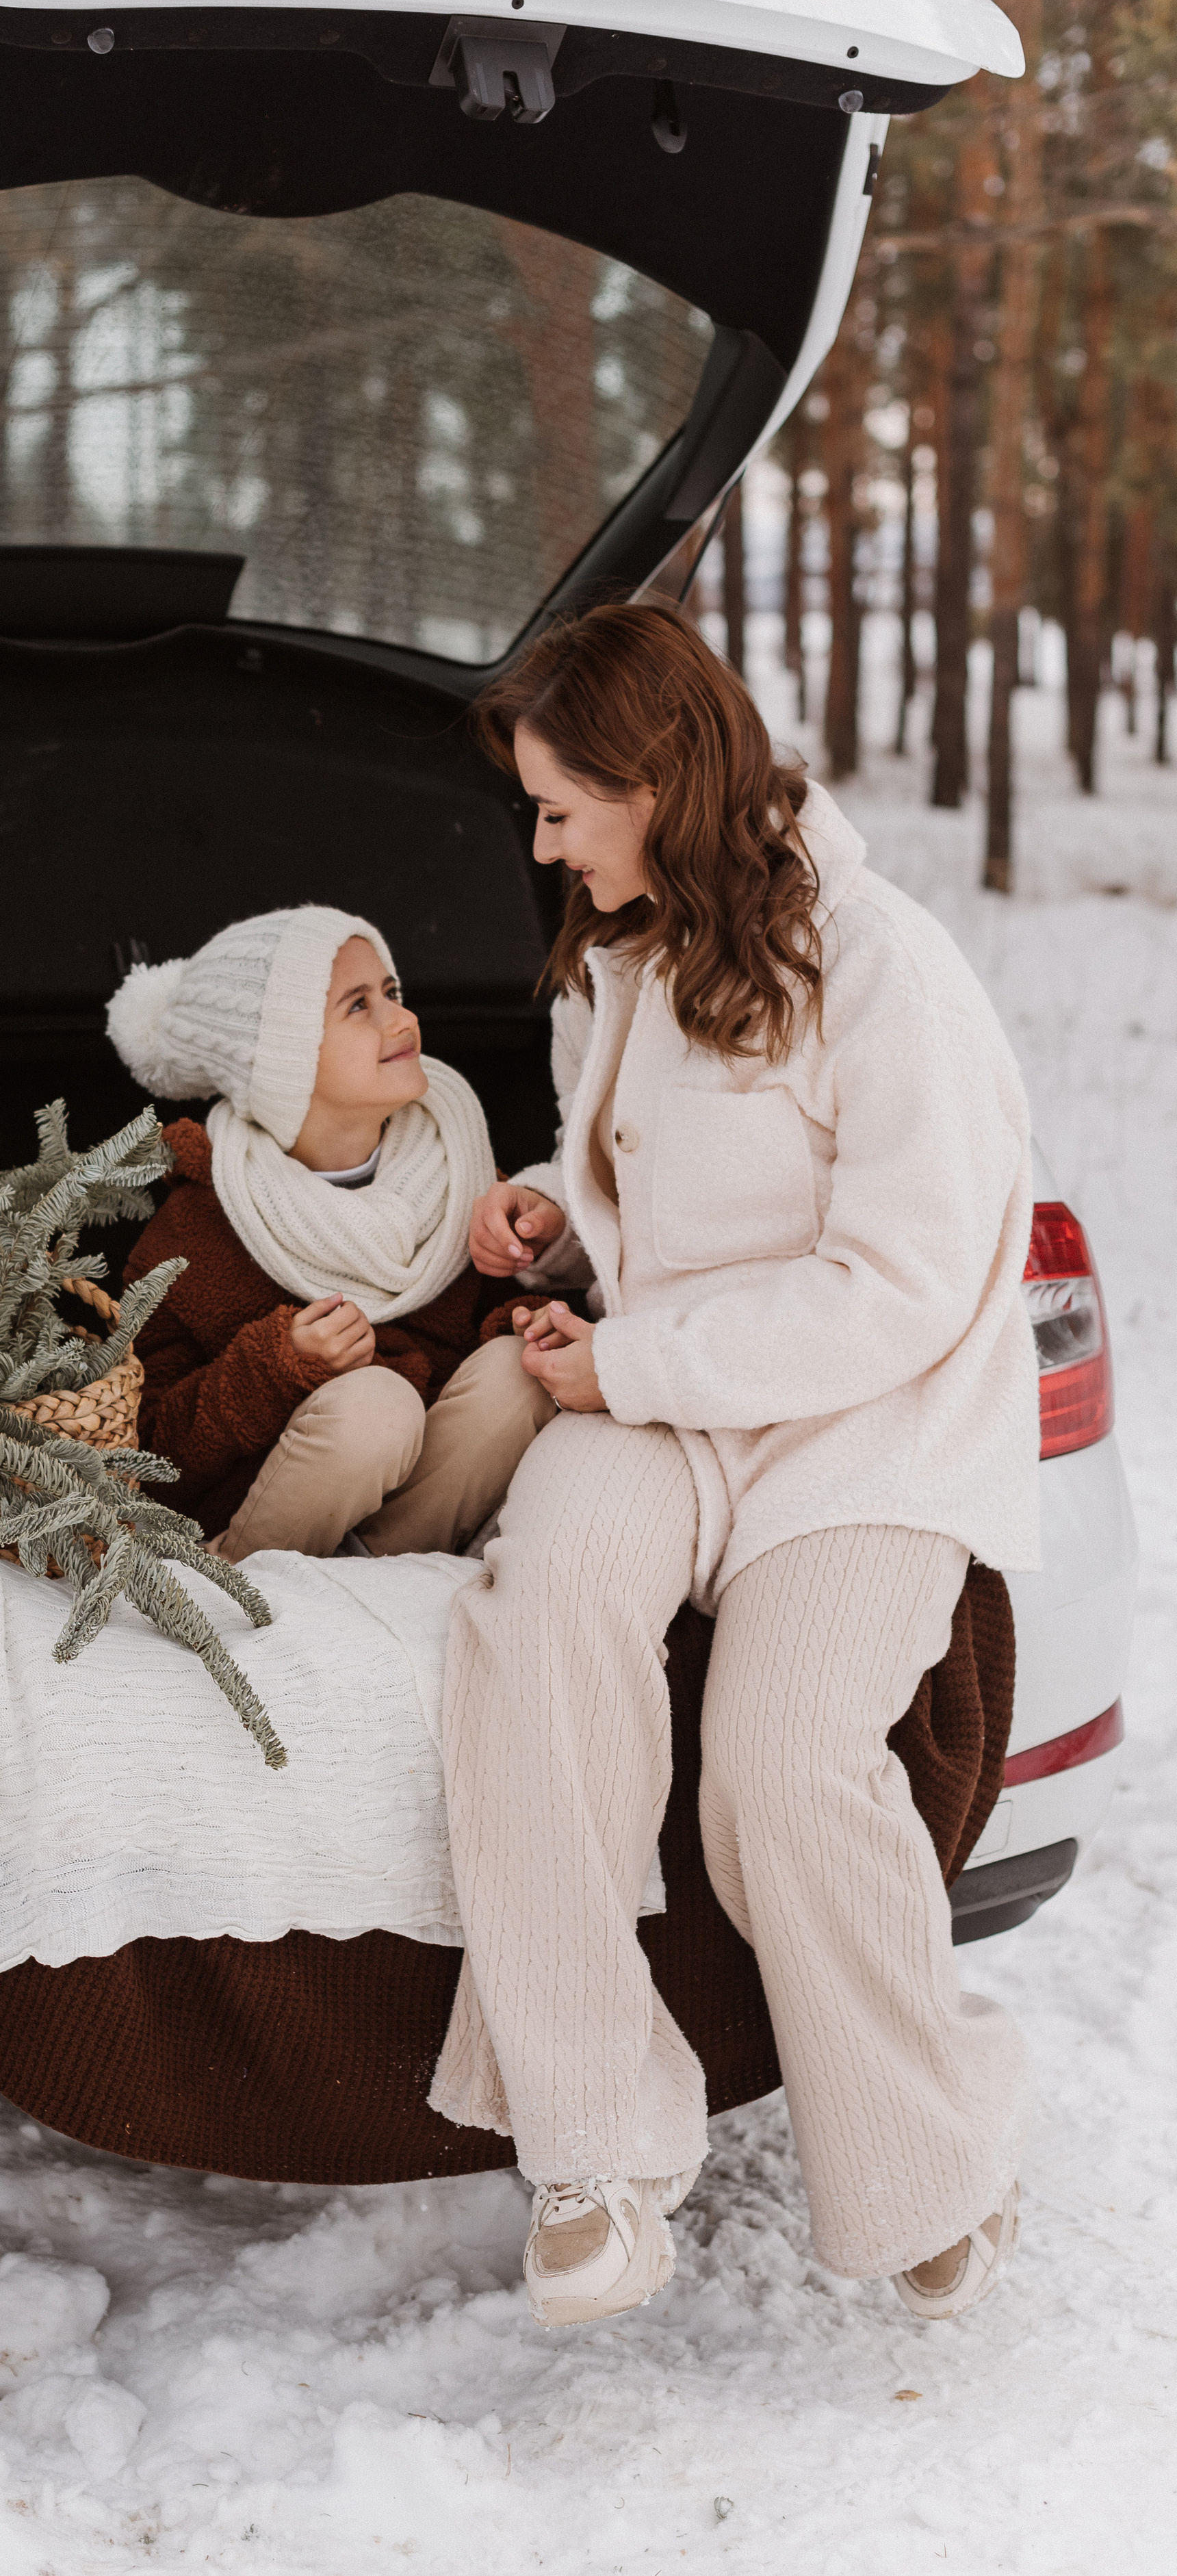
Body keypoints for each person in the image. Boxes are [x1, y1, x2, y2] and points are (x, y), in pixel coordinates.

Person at [427, 602, 1039, 2331]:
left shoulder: (885, 968)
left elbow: (899, 1288)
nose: (540, 841)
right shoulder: (619, 945)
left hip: (863, 1424)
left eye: (562, 806)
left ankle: (932, 2152)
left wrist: (623, 1357)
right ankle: (593, 2147)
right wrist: (559, 1234)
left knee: (773, 1767)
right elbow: (657, 1206)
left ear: (656, 781)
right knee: (534, 1610)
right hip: (661, 1394)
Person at [107, 904, 554, 1559]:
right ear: (280, 1059)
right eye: (358, 1006)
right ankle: (248, 1595)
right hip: (266, 1532)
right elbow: (148, 1449)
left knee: (523, 1370)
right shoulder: (198, 1232)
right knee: (376, 1405)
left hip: (412, 1525)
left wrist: (525, 1313)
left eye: (392, 993)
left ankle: (380, 1585)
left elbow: (491, 1326)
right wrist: (276, 1365)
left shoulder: (462, 1176)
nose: (401, 1019)